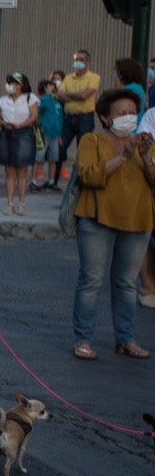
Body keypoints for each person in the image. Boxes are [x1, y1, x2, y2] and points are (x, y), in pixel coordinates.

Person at [70, 89, 155, 360]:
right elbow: (89, 176)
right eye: (122, 113)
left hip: (137, 220)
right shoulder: (91, 140)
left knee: (127, 283)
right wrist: (123, 156)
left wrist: (144, 156)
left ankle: (126, 339)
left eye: (133, 112)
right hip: (97, 219)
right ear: (106, 118)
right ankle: (83, 339)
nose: (129, 117)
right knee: (91, 280)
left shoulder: (145, 143)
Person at [54, 48, 100, 186]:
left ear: (87, 62)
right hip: (68, 118)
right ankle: (54, 180)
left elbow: (85, 95)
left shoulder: (94, 77)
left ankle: (80, 180)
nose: (78, 63)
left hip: (84, 118)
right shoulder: (68, 78)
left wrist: (69, 96)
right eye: (76, 60)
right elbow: (59, 95)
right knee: (60, 149)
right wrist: (75, 97)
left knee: (83, 149)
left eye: (81, 60)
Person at [0, 71, 39, 215]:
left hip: (24, 133)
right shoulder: (2, 100)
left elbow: (34, 116)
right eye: (9, 83)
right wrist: (4, 123)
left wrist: (22, 125)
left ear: (22, 85)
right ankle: (9, 203)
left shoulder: (30, 98)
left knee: (22, 170)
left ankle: (22, 203)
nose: (11, 86)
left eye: (14, 83)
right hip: (7, 133)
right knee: (9, 170)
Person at [32, 78, 64, 192]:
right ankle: (33, 181)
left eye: (52, 85)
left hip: (55, 134)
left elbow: (60, 118)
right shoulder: (44, 100)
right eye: (49, 85)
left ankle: (51, 181)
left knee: (53, 158)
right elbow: (42, 109)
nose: (52, 87)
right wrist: (47, 95)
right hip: (44, 133)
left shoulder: (57, 103)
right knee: (39, 157)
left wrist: (60, 134)